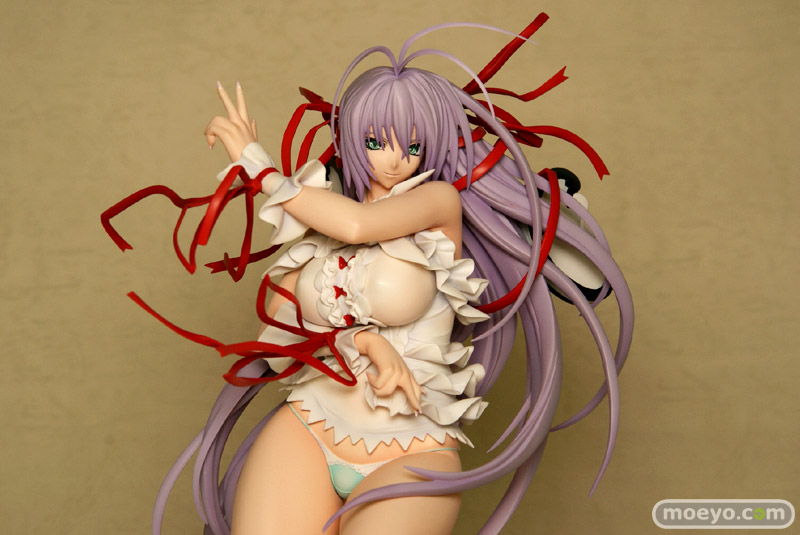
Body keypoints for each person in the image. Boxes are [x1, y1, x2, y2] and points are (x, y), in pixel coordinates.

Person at [111, 15, 634, 535]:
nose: (394, 161)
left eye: (412, 146)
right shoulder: (317, 230)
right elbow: (278, 338)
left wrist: (261, 169)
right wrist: (361, 340)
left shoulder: (436, 205)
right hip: (308, 426)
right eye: (376, 142)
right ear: (352, 139)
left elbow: (360, 225)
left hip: (411, 451)